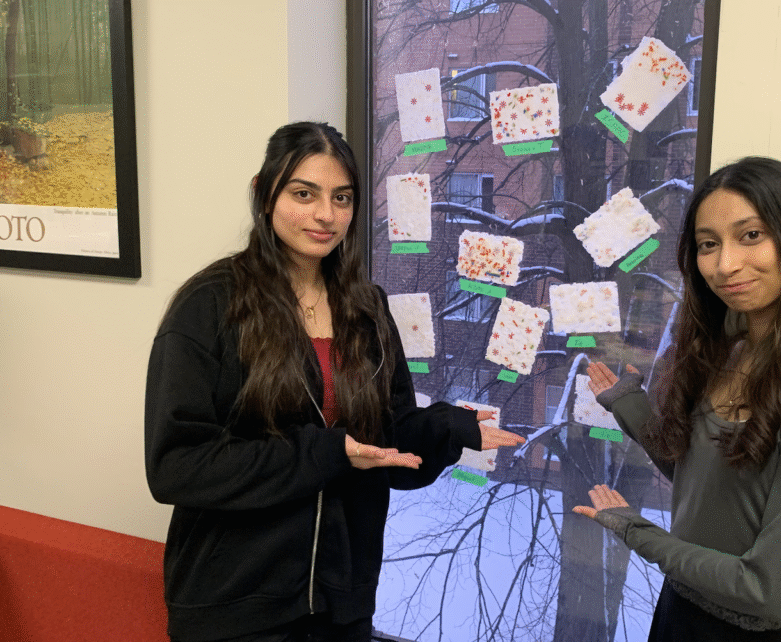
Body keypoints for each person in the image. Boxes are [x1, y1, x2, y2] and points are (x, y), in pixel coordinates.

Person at [144, 121, 524, 642]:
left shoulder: (366, 308)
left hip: (342, 602)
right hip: (235, 604)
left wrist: (443, 429)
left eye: (341, 198)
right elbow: (175, 467)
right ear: (263, 192)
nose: (326, 215)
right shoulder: (209, 305)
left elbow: (385, 443)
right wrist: (325, 454)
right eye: (305, 194)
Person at [573, 157, 781, 640]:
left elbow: (771, 593)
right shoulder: (732, 350)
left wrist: (638, 534)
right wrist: (629, 405)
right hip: (681, 612)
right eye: (709, 244)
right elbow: (706, 481)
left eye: (751, 235)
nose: (725, 264)